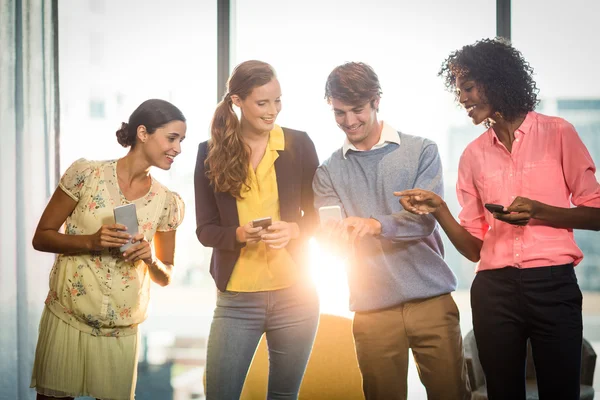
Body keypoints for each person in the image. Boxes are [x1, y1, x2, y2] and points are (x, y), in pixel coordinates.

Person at [396, 38, 600, 400]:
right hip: (494, 292)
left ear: (496, 81)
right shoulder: (472, 155)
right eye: (459, 90)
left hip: (552, 285)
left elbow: (596, 214)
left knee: (561, 392)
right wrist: (439, 209)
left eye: (469, 88)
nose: (463, 98)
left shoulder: (558, 133)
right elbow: (475, 249)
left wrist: (540, 211)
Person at [313, 61, 470, 400]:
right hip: (371, 308)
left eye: (357, 110)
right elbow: (332, 239)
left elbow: (424, 220)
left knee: (452, 394)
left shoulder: (421, 151)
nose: (349, 121)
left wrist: (372, 225)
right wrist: (333, 237)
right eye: (339, 113)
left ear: (376, 101)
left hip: (431, 301)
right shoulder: (327, 172)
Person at [29, 99, 186, 400]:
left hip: (121, 332)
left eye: (181, 141)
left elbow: (165, 275)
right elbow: (41, 237)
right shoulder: (86, 175)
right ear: (143, 133)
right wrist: (91, 241)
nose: (177, 148)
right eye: (172, 138)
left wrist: (150, 259)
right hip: (67, 318)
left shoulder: (167, 203)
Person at [194, 60, 320, 400]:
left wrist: (293, 230)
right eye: (262, 103)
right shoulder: (209, 153)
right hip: (237, 299)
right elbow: (204, 230)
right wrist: (237, 235)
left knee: (283, 397)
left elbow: (320, 216)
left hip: (297, 295)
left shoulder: (299, 144)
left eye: (277, 101)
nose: (272, 111)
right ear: (237, 101)